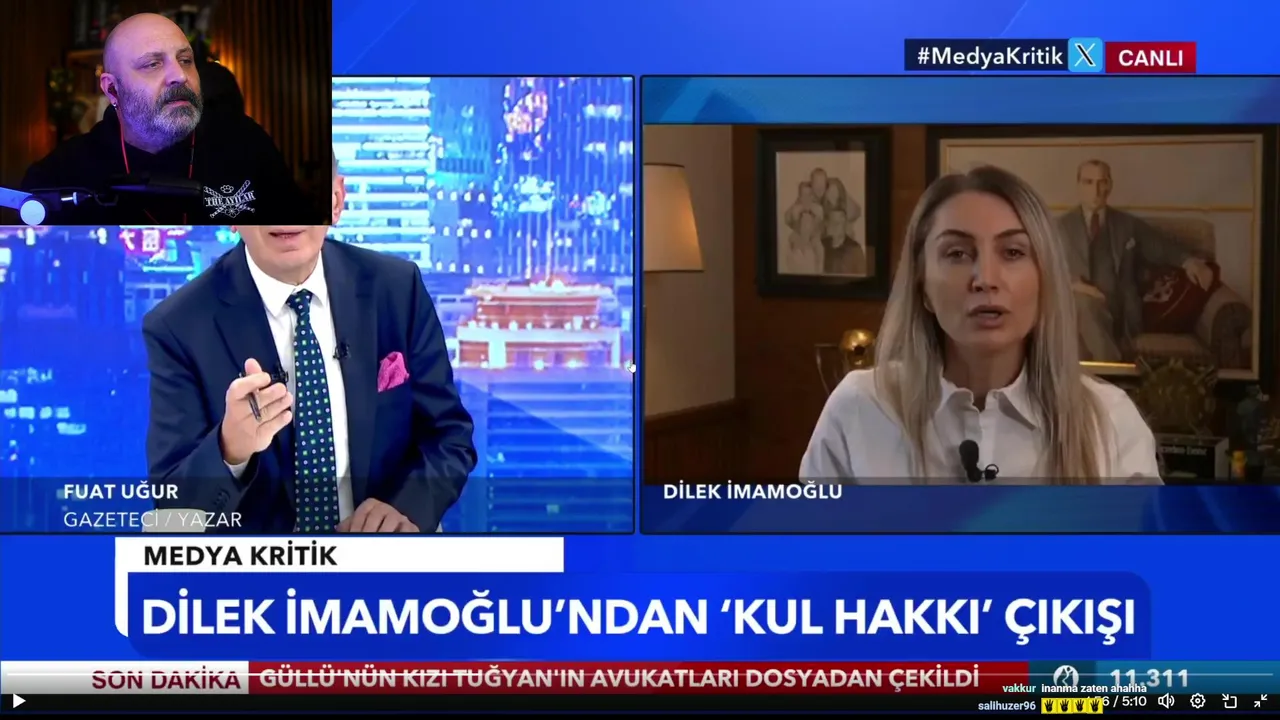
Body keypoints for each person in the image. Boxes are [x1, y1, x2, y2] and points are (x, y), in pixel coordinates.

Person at [142, 149, 477, 533]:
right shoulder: (178, 326)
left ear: (335, 200)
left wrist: (405, 508)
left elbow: (449, 436)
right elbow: (173, 510)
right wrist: (229, 449)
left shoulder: (397, 289)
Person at [800, 165, 1162, 484]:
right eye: (957, 253)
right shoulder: (860, 409)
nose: (986, 279)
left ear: (1045, 281)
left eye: (1013, 252)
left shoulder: (1110, 422)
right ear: (922, 287)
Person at [20, 13, 312, 225]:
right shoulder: (60, 175)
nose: (179, 76)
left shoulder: (245, 143)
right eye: (152, 64)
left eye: (185, 60)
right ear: (112, 89)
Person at [1057, 159, 1214, 362]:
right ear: (1078, 185)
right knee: (1084, 304)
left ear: (1110, 185)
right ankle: (1112, 370)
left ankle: (1102, 372)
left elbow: (1161, 245)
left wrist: (1189, 261)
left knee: (1084, 318)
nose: (1095, 190)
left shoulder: (1127, 224)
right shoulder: (1060, 227)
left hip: (1120, 309)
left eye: (1101, 182)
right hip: (1078, 307)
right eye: (1088, 182)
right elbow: (1041, 270)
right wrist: (1074, 285)